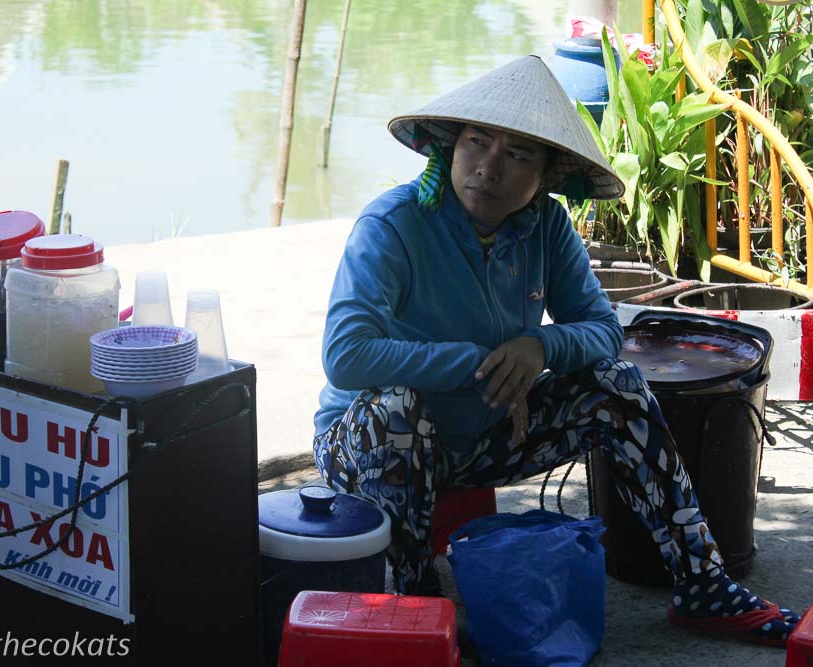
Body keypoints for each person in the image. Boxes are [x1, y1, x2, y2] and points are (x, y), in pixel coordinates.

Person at [312, 55, 800, 646]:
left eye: (516, 155)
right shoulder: (393, 225)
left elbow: (600, 329)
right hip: (369, 447)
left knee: (616, 385)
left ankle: (704, 585)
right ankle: (417, 605)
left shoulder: (546, 226)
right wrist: (485, 364)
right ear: (450, 148)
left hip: (486, 435)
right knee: (396, 408)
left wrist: (539, 346)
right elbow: (347, 355)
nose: (488, 168)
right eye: (476, 142)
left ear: (545, 176)